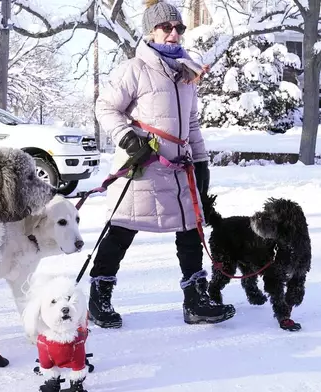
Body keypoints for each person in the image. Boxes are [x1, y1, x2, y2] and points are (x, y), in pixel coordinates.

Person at [88, 0, 236, 328]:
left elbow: (192, 123)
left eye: (179, 28)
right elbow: (106, 108)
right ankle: (99, 298)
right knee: (123, 227)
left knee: (189, 229)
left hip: (179, 167)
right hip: (142, 165)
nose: (173, 33)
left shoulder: (186, 73)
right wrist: (128, 138)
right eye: (165, 27)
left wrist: (201, 162)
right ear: (150, 31)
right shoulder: (134, 69)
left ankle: (196, 301)